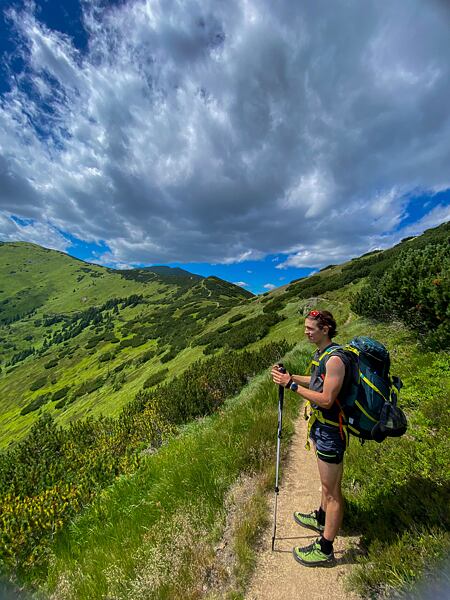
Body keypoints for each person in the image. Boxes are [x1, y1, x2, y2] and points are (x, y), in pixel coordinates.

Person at [271, 309, 350, 567]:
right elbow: (316, 382)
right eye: (305, 327)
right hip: (321, 428)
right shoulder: (322, 355)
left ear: (325, 329)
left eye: (310, 328)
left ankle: (326, 548)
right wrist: (290, 377)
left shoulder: (335, 360)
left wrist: (291, 387)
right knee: (326, 487)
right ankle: (320, 517)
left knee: (332, 491)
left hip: (330, 431)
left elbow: (327, 399)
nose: (306, 332)